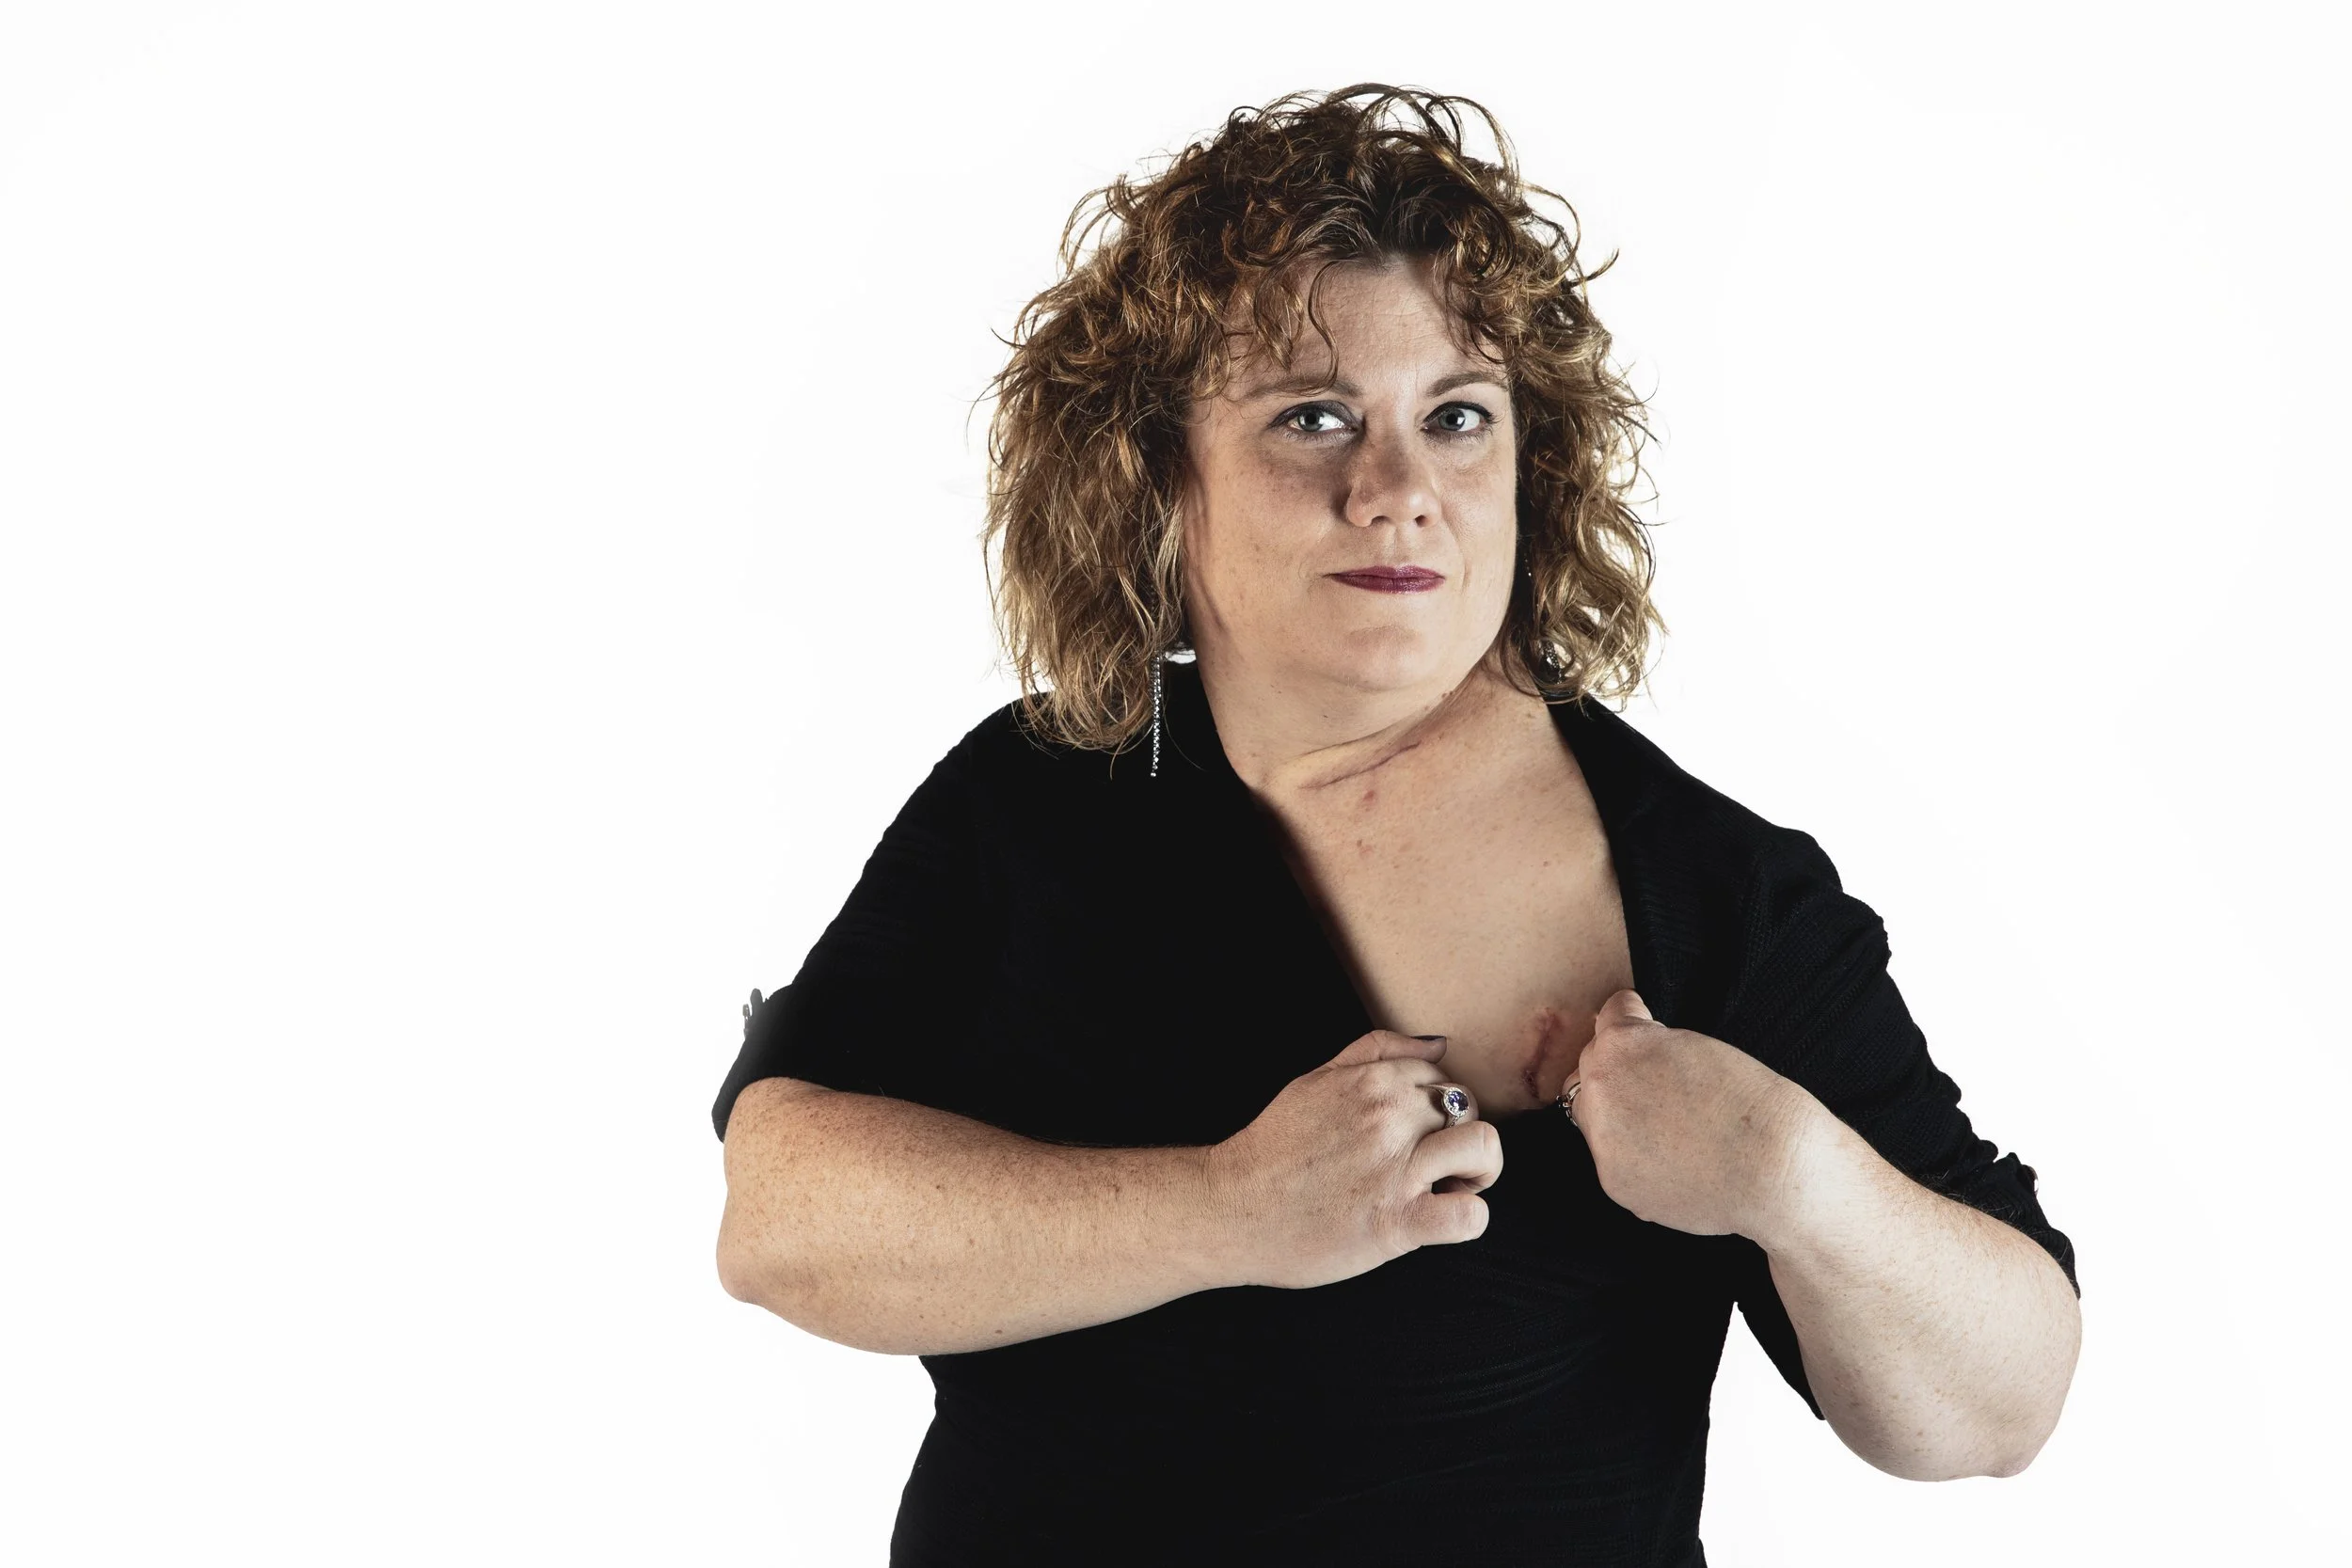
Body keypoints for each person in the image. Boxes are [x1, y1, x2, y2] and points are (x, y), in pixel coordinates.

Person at [711, 84, 2081, 1566]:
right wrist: (1230, 1208)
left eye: (1459, 417)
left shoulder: (1706, 887)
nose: (1399, 490)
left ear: (1528, 468)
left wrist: (1797, 1180)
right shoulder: (1040, 790)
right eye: (1313, 417)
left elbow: (2000, 1408)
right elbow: (781, 1218)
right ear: (1158, 476)